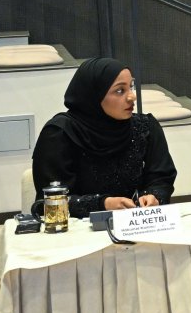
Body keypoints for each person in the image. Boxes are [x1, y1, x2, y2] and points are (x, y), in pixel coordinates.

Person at [29, 58, 177, 217]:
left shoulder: (145, 127)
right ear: (94, 94)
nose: (132, 97)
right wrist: (102, 204)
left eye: (131, 87)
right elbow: (49, 202)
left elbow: (161, 179)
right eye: (120, 91)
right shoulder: (59, 134)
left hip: (134, 224)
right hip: (77, 228)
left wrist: (153, 196)